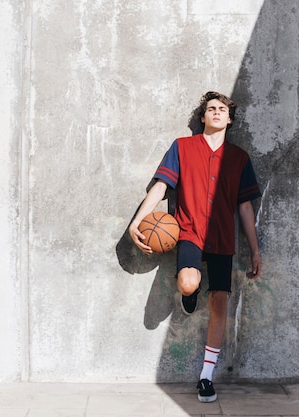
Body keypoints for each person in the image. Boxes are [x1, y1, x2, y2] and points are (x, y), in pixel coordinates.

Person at [128, 91, 262, 403]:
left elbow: (245, 208)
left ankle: (206, 376)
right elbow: (161, 187)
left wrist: (254, 249)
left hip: (222, 239)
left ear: (229, 119)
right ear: (202, 117)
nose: (216, 112)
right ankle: (190, 294)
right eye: (211, 109)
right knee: (189, 283)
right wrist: (137, 221)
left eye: (222, 110)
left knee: (220, 303)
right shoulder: (182, 147)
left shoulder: (239, 158)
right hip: (188, 232)